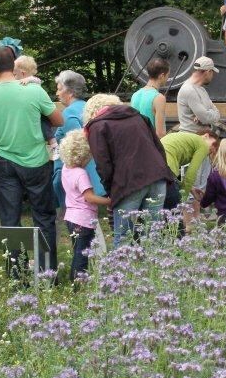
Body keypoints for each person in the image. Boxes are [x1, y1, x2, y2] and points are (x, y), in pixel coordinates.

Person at [0, 46, 64, 275]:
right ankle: (47, 272)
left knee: (10, 217)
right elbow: (58, 120)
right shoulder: (34, 91)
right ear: (14, 64)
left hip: (4, 161)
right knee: (44, 216)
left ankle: (17, 272)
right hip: (36, 161)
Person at [85, 94, 174, 247]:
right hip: (157, 177)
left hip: (128, 182)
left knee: (124, 237)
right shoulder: (138, 117)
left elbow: (103, 164)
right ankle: (154, 269)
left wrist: (111, 191)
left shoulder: (97, 126)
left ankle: (122, 270)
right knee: (152, 234)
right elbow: (159, 148)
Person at [59, 130, 111, 280]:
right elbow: (89, 198)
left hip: (70, 217)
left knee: (77, 250)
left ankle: (75, 280)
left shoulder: (65, 168)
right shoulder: (81, 174)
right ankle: (78, 283)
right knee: (83, 254)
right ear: (84, 155)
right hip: (84, 219)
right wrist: (109, 201)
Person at [52, 70, 106, 209]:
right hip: (97, 169)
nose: (57, 93)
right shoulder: (87, 107)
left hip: (76, 177)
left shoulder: (69, 114)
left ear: (70, 92)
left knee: (76, 213)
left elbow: (78, 148)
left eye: (59, 89)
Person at [161, 130, 220, 219]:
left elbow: (180, 174)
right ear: (206, 136)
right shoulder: (203, 144)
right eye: (214, 144)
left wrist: (191, 189)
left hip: (157, 159)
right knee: (174, 204)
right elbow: (191, 173)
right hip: (166, 163)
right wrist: (183, 199)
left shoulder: (190, 140)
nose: (213, 148)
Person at [13, 54, 56, 154]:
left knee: (44, 124)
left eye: (15, 74)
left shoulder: (32, 81)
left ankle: (53, 144)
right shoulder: (20, 82)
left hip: (39, 112)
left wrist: (29, 79)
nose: (14, 77)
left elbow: (37, 80)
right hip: (31, 110)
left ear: (23, 74)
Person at [177, 57, 221, 134]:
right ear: (208, 72)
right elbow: (205, 118)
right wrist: (208, 113)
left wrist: (206, 113)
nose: (212, 76)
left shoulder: (202, 90)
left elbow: (216, 113)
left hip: (199, 137)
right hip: (191, 137)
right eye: (212, 72)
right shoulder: (189, 90)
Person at [130, 58, 169, 139]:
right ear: (162, 76)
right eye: (167, 75)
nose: (167, 79)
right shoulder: (159, 98)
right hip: (151, 146)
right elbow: (160, 133)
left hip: (137, 143)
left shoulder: (135, 95)